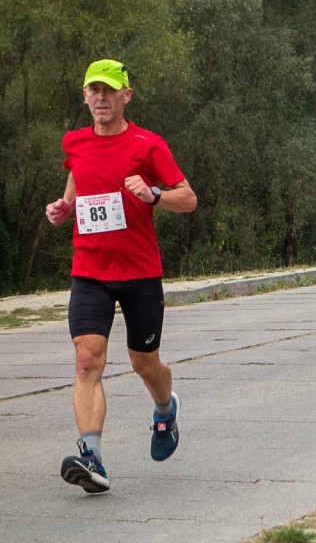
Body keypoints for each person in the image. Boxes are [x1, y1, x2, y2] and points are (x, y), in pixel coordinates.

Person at [46, 60, 198, 494]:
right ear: (85, 96)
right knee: (86, 360)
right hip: (90, 271)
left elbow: (188, 199)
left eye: (109, 91)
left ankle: (165, 409)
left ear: (126, 96)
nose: (101, 98)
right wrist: (65, 207)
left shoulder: (148, 145)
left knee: (143, 362)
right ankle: (91, 455)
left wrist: (153, 194)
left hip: (139, 272)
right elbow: (78, 176)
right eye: (94, 90)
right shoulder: (74, 142)